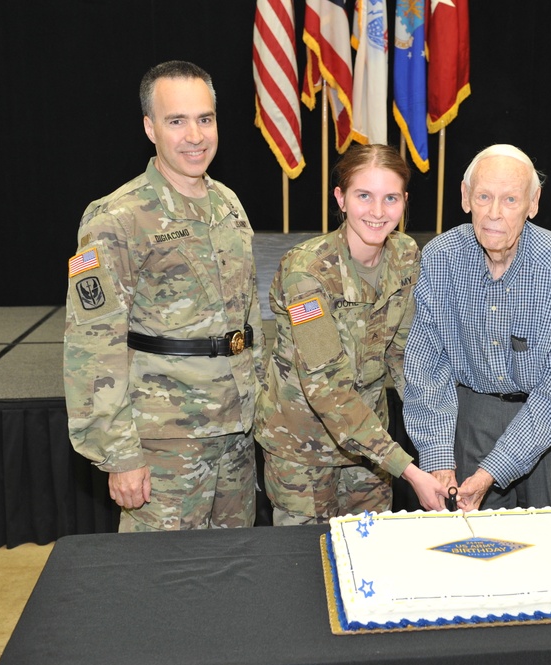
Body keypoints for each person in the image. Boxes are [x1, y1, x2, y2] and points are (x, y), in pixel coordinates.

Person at [63, 60, 266, 531]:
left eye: (205, 119)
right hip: (163, 444)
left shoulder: (228, 204)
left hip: (235, 431)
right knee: (160, 587)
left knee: (234, 574)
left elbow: (248, 316)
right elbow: (92, 345)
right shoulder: (117, 219)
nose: (195, 135)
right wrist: (118, 454)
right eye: (177, 121)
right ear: (150, 128)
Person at [256, 143, 447, 525]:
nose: (378, 212)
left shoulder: (406, 255)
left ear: (404, 201)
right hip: (302, 450)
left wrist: (437, 449)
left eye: (390, 198)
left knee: (370, 556)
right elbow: (326, 388)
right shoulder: (307, 273)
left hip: (369, 450)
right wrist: (408, 470)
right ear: (340, 198)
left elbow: (405, 357)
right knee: (305, 565)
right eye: (364, 196)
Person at [403, 143, 551, 512]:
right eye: (484, 196)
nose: (494, 214)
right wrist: (438, 456)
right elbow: (427, 366)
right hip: (474, 414)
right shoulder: (440, 259)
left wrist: (494, 469)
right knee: (472, 545)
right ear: (465, 197)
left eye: (510, 200)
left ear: (533, 203)